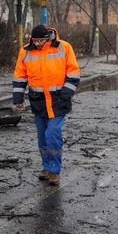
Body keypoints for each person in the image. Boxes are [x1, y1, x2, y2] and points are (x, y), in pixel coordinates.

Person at [12, 25, 80, 185]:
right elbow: (20, 76)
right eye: (35, 41)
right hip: (38, 102)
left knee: (52, 134)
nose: (38, 44)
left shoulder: (63, 47)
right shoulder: (26, 51)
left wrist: (65, 95)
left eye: (41, 40)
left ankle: (55, 171)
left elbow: (73, 72)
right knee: (42, 138)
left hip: (58, 101)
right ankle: (46, 167)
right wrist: (18, 98)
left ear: (48, 37)